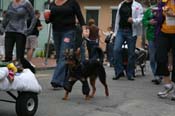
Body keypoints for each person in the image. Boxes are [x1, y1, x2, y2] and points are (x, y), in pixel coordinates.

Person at [44, 0, 86, 88]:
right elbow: (50, 20)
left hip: (69, 32)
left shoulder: (72, 2)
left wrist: (85, 29)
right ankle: (65, 79)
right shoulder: (52, 4)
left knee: (64, 55)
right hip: (56, 32)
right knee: (60, 56)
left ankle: (56, 81)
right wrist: (47, 18)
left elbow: (80, 16)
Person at [0, 0, 36, 73]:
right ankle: (11, 75)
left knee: (20, 58)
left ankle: (31, 69)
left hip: (20, 32)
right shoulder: (11, 3)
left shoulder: (26, 3)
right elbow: (7, 17)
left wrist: (29, 30)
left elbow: (33, 17)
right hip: (9, 31)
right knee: (8, 58)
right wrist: (2, 27)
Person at [113, 0, 143, 81]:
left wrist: (134, 20)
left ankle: (130, 73)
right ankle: (119, 71)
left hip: (131, 31)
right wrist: (115, 32)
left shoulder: (138, 5)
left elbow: (141, 18)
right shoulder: (121, 4)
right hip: (120, 31)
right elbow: (117, 19)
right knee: (116, 50)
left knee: (131, 53)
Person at [156, 0, 175, 101]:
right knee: (160, 56)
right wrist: (160, 14)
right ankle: (168, 85)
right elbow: (159, 18)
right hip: (164, 32)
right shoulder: (163, 1)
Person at [142, 0, 162, 85]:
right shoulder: (149, 10)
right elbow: (144, 21)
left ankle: (159, 75)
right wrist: (149, 22)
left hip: (161, 35)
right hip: (151, 36)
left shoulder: (163, 8)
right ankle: (156, 75)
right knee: (153, 57)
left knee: (160, 56)